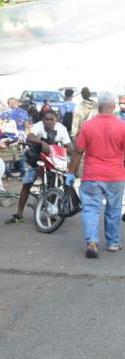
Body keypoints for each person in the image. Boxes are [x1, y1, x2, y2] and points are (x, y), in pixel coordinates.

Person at [66, 92, 125, 258]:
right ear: (113, 107)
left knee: (91, 209)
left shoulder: (88, 126)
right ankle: (113, 243)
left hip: (92, 175)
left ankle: (92, 241)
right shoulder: (122, 126)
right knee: (114, 209)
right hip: (116, 176)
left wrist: (71, 173)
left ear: (98, 107)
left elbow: (78, 152)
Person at [5, 110, 72, 225]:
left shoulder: (62, 129)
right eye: (46, 119)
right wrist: (41, 143)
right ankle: (19, 214)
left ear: (56, 120)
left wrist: (70, 149)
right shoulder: (38, 126)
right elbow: (30, 137)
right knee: (27, 184)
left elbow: (68, 144)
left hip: (53, 159)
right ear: (42, 120)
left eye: (52, 119)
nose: (49, 122)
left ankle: (52, 209)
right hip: (37, 159)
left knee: (54, 184)